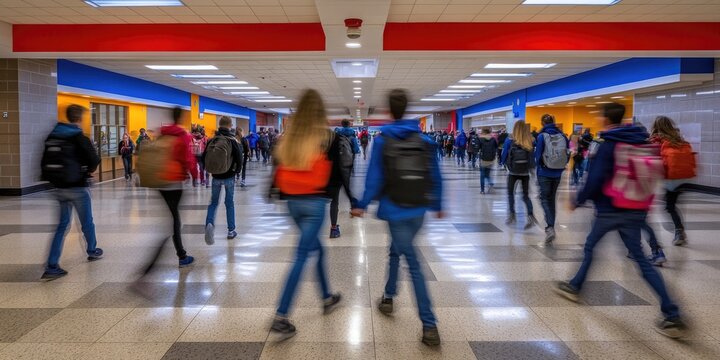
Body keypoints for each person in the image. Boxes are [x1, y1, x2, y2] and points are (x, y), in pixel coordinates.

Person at [555, 103, 685, 339]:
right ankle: (672, 313)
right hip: (635, 209)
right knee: (641, 260)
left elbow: (595, 179)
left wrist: (578, 200)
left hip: (609, 209)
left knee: (590, 247)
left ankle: (574, 286)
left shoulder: (608, 144)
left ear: (606, 119)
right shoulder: (643, 141)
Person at [351, 89, 444, 347]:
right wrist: (437, 203)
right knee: (396, 250)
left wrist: (362, 204)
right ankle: (388, 297)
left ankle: (429, 324)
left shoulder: (383, 140)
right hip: (417, 209)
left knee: (412, 262)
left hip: (394, 208)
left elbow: (375, 177)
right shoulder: (423, 139)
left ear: (389, 112)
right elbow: (434, 174)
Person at [270, 89, 342, 336]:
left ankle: (326, 296)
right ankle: (281, 315)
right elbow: (337, 175)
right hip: (314, 204)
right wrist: (353, 199)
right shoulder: (326, 137)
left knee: (316, 249)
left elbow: (276, 167)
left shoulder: (288, 138)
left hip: (292, 203)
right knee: (302, 255)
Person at [40, 104, 103, 280]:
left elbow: (43, 162)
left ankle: (52, 264)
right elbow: (94, 159)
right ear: (79, 118)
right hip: (77, 186)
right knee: (87, 222)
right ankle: (92, 250)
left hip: (59, 187)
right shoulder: (78, 136)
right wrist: (88, 171)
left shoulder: (53, 136)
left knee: (61, 225)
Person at [158, 107, 198, 268]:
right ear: (181, 118)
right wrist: (196, 176)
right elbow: (188, 159)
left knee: (172, 214)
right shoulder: (183, 136)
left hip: (160, 179)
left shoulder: (162, 133)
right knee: (175, 218)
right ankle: (181, 255)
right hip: (174, 180)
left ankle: (180, 251)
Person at [650, 116, 696, 246]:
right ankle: (679, 230)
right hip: (685, 177)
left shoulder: (657, 140)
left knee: (669, 206)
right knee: (672, 204)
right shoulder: (678, 138)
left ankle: (679, 231)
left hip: (671, 178)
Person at [204, 116, 243, 245]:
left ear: (219, 125)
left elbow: (203, 157)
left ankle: (209, 223)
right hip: (229, 177)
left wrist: (211, 170)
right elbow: (239, 159)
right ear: (230, 125)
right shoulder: (232, 140)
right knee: (229, 203)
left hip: (215, 177)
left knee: (213, 203)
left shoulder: (212, 140)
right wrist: (235, 172)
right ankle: (231, 230)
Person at [535, 114, 570, 243]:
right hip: (558, 173)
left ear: (542, 123)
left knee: (544, 198)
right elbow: (567, 153)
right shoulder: (563, 136)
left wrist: (540, 167)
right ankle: (551, 226)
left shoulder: (541, 136)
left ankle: (550, 226)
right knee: (551, 199)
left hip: (544, 172)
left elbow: (538, 156)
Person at [500, 121, 538, 228]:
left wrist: (502, 163)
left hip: (513, 171)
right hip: (525, 172)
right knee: (526, 196)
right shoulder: (530, 140)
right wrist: (532, 170)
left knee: (511, 193)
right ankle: (530, 215)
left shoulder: (510, 139)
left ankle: (512, 214)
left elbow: (505, 153)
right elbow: (532, 155)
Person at [329, 120, 360, 238]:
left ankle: (333, 228)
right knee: (347, 189)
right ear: (350, 125)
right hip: (346, 168)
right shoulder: (352, 136)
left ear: (341, 125)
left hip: (334, 171)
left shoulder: (335, 136)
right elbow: (356, 150)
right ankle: (353, 208)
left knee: (334, 200)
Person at [478, 127, 498, 194]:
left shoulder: (480, 139)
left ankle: (482, 190)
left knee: (482, 175)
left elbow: (478, 148)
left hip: (483, 160)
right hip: (491, 160)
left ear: (483, 131)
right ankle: (490, 183)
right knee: (487, 174)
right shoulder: (493, 139)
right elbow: (496, 147)